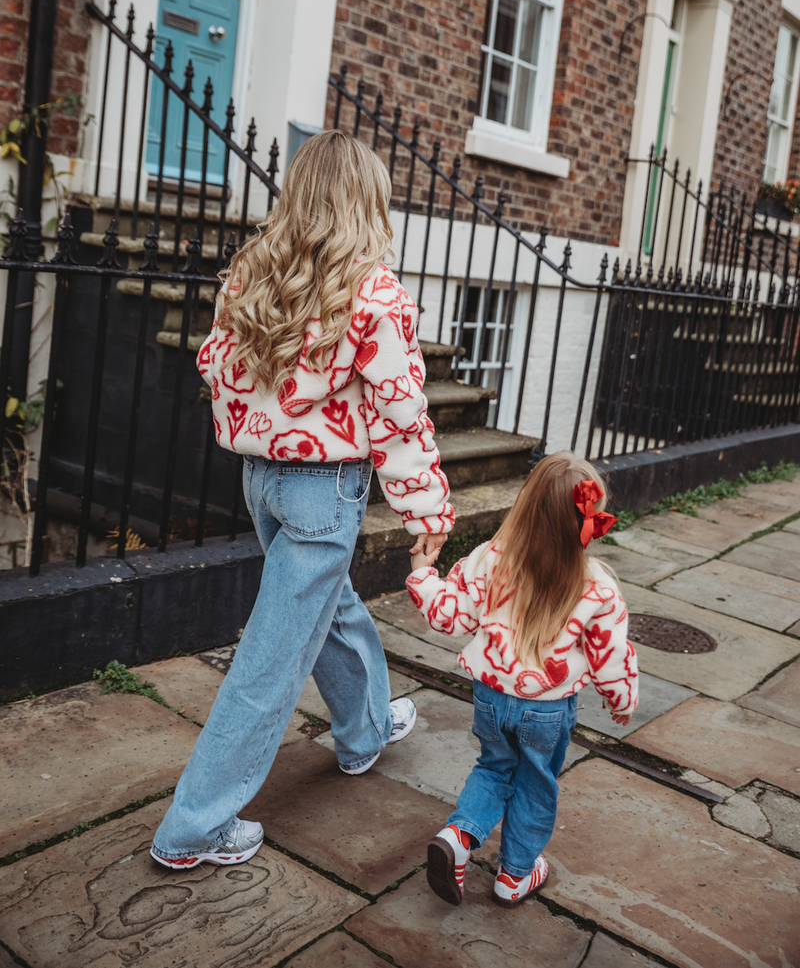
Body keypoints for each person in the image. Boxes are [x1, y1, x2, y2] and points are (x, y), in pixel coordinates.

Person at [150, 130, 453, 870]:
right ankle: (192, 829)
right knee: (272, 660)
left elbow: (218, 370)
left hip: (263, 480)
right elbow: (400, 409)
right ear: (366, 200)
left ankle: (364, 730)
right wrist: (426, 507)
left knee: (330, 605)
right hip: (324, 488)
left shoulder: (252, 272)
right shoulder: (374, 291)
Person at [406, 450, 637, 908]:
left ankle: (458, 836)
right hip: (547, 710)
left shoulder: (488, 559)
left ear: (525, 505)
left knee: (494, 767)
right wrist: (621, 700)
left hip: (490, 696)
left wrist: (423, 574)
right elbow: (610, 656)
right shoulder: (599, 586)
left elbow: (452, 617)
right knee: (535, 783)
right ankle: (515, 875)